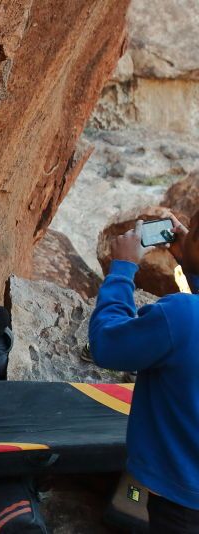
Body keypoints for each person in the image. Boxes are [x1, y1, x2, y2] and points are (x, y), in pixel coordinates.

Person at [89, 211, 199, 533]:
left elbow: (107, 343)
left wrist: (122, 268)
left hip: (179, 500)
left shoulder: (179, 317)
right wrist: (191, 263)